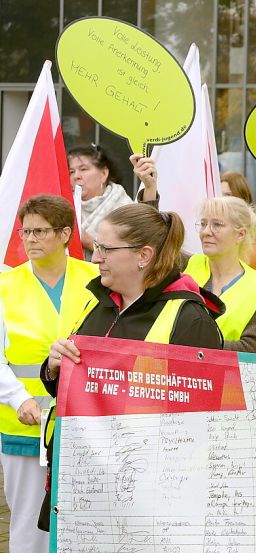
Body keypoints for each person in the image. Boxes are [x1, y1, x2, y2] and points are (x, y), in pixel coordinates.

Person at [39, 203, 225, 531]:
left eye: (106, 249)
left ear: (144, 255)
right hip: (85, 482)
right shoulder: (97, 304)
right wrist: (54, 368)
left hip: (147, 499)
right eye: (97, 247)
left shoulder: (190, 320)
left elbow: (203, 425)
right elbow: (77, 388)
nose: (95, 258)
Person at [0, 195, 98, 553]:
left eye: (40, 231)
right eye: (25, 231)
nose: (30, 239)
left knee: (82, 519)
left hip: (87, 424)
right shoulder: (4, 286)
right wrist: (19, 398)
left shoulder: (97, 280)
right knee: (29, 524)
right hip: (24, 424)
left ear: (65, 234)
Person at [185, 196, 256, 354]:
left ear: (240, 235)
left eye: (217, 225)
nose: (206, 232)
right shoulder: (188, 265)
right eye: (203, 224)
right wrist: (150, 194)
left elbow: (253, 348)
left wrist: (199, 345)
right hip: (184, 376)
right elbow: (157, 245)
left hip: (230, 377)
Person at [69, 144, 159, 257]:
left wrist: (89, 242)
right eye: (71, 171)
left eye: (83, 169)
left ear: (104, 173)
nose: (76, 176)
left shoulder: (124, 208)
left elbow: (142, 246)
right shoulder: (65, 208)